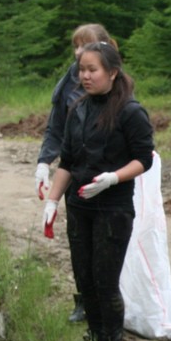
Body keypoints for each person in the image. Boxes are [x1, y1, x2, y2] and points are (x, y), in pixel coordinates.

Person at [41, 42, 154, 341]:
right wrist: (52, 200)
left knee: (106, 280)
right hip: (79, 205)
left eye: (93, 70)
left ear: (112, 72)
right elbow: (68, 161)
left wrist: (114, 178)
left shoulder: (131, 112)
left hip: (113, 209)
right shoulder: (77, 109)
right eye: (82, 70)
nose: (85, 76)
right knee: (84, 278)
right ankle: (94, 337)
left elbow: (143, 159)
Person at [35, 24, 116, 323]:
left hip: (111, 177)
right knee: (80, 243)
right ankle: (84, 299)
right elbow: (56, 129)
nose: (79, 53)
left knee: (108, 243)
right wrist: (45, 163)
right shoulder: (67, 85)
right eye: (76, 46)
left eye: (87, 46)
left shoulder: (116, 85)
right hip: (77, 174)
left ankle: (111, 301)